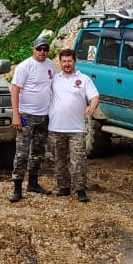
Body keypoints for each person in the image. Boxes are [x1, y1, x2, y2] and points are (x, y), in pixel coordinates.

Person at [48, 47, 101, 202]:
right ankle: (63, 187)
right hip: (56, 127)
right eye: (63, 61)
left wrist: (92, 105)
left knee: (78, 160)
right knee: (59, 160)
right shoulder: (54, 79)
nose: (67, 64)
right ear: (60, 62)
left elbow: (95, 95)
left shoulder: (83, 79)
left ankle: (80, 189)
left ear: (74, 61)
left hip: (76, 128)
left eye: (69, 61)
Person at [9, 35, 57, 202]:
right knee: (22, 152)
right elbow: (15, 90)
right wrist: (16, 114)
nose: (42, 52)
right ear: (33, 49)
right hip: (26, 116)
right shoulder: (24, 66)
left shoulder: (51, 66)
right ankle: (17, 188)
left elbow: (53, 88)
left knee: (38, 151)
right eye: (39, 49)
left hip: (43, 115)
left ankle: (33, 183)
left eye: (45, 49)